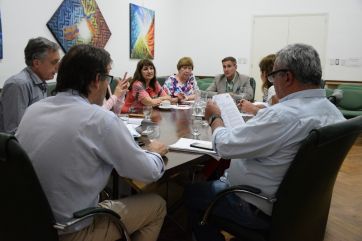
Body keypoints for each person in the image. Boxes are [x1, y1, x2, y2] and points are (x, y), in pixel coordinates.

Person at [185, 43, 346, 241]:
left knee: (191, 193)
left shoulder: (282, 115)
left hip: (254, 204)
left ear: (287, 76)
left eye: (273, 76)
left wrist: (214, 118)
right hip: (302, 207)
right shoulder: (333, 112)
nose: (272, 82)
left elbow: (224, 147)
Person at [16, 44, 168, 241]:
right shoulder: (100, 120)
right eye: (108, 79)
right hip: (70, 230)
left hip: (26, 222)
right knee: (157, 205)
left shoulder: (34, 110)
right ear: (97, 80)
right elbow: (148, 173)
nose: (107, 85)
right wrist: (154, 151)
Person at [0, 37, 60, 134]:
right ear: (36, 63)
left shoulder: (41, 81)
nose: (57, 68)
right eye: (54, 62)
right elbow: (14, 132)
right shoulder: (18, 85)